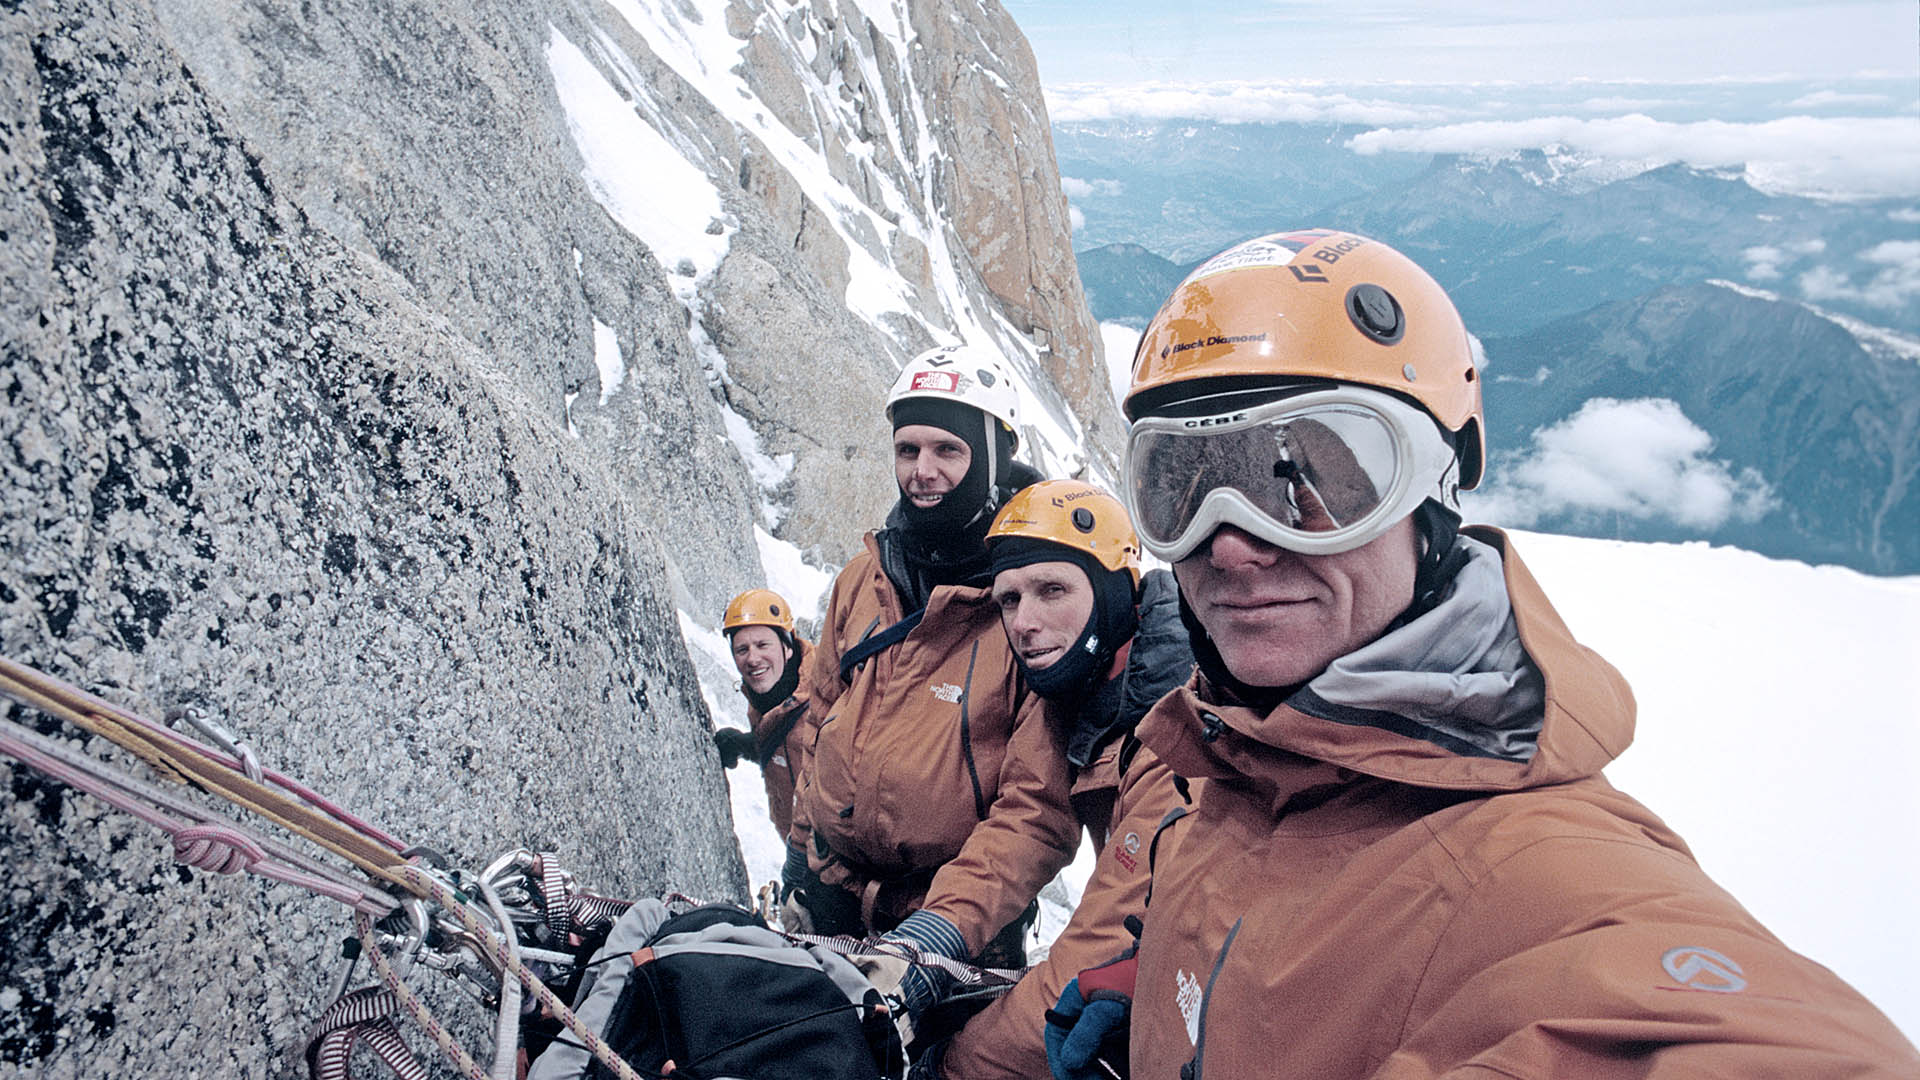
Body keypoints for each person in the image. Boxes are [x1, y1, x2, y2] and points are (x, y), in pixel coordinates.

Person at [1043, 228, 1920, 1078]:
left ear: (1436, 490)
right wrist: (1183, 1003)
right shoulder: (1232, 757)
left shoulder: (1541, 870)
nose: (1231, 546)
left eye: (1309, 479)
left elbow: (1716, 1024)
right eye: (1180, 486)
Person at [783, 344, 1077, 1038]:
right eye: (907, 448)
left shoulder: (1028, 596)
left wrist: (940, 933)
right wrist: (801, 853)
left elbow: (1037, 807)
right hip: (831, 898)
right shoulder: (869, 574)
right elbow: (819, 716)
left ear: (995, 454)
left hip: (957, 933)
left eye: (948, 449)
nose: (923, 471)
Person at [931, 479, 1193, 1079]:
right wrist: (932, 936)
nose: (1024, 622)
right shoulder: (1072, 684)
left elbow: (1099, 944)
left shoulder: (1177, 722)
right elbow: (1029, 821)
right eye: (1009, 600)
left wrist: (955, 1066)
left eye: (1052, 590)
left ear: (1112, 591)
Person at [711, 588, 813, 841]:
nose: (753, 658)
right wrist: (745, 744)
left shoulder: (831, 691)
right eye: (742, 649)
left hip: (851, 864)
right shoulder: (764, 703)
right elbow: (792, 748)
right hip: (802, 857)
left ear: (787, 646)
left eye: (762, 645)